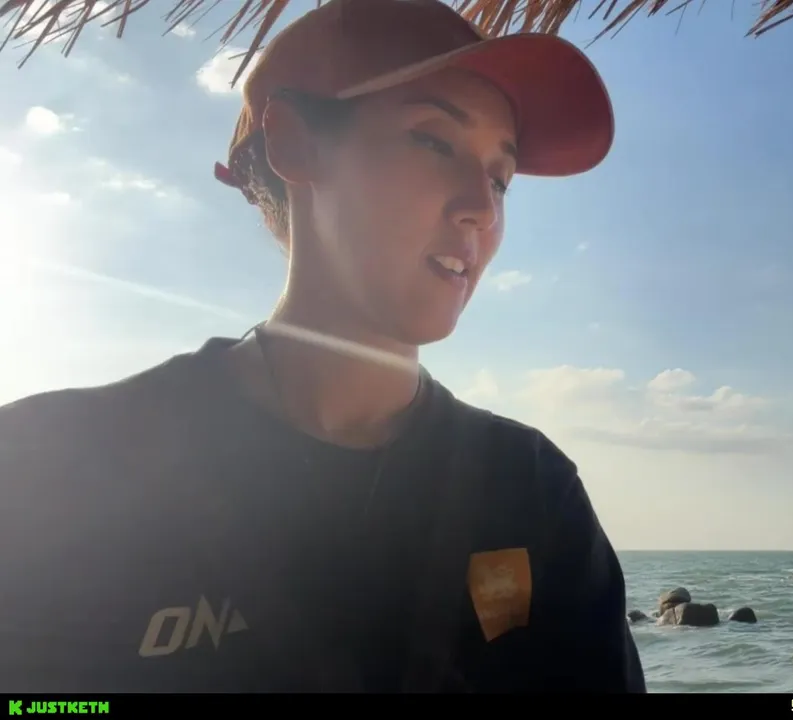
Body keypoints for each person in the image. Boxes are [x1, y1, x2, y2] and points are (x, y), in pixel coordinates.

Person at [0, 0, 645, 693]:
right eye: (433, 141)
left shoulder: (532, 492)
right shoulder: (51, 466)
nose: (483, 210)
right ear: (295, 144)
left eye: (499, 179)